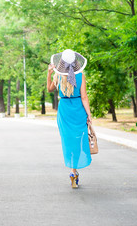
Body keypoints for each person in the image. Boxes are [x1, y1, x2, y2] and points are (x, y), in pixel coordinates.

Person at [47, 49, 92, 189]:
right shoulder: (80, 76)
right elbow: (84, 97)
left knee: (68, 140)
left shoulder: (58, 76)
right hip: (78, 109)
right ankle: (74, 171)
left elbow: (49, 89)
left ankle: (72, 170)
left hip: (64, 110)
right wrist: (89, 114)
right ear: (76, 62)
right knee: (78, 140)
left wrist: (49, 74)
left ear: (61, 62)